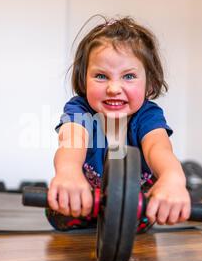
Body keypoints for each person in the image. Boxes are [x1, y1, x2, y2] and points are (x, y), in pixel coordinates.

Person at [45, 15, 190, 233]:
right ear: (83, 79)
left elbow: (158, 147)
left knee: (147, 208)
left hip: (133, 203)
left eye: (129, 76)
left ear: (149, 83)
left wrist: (173, 179)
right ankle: (78, 203)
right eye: (101, 76)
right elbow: (71, 142)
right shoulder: (80, 110)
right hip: (85, 201)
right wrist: (68, 172)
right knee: (56, 206)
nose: (114, 88)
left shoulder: (147, 115)